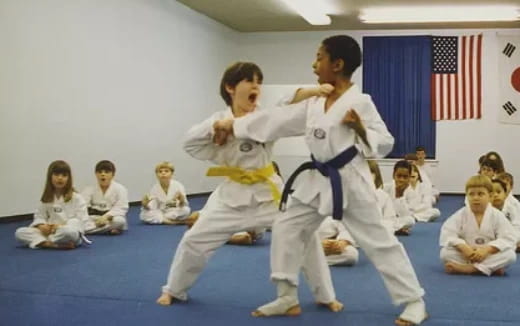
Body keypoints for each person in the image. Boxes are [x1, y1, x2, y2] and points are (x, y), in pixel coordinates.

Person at [215, 35, 427, 325]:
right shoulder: (315, 101)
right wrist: (235, 124)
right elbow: (276, 121)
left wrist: (361, 129)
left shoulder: (361, 102)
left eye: (319, 58)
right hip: (316, 178)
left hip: (350, 180)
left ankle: (414, 301)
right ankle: (287, 295)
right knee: (287, 226)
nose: (314, 65)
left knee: (379, 241)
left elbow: (386, 142)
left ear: (337, 64)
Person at [157, 62, 342, 313]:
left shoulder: (265, 117)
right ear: (230, 87)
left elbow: (288, 104)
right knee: (194, 241)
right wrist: (219, 127)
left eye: (259, 81)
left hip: (270, 195)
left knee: (304, 237)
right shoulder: (216, 122)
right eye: (249, 80)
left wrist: (316, 91)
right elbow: (189, 143)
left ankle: (325, 295)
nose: (256, 85)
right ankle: (173, 289)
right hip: (230, 196)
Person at [440, 175, 516, 276]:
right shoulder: (461, 214)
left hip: (488, 253)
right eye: (471, 194)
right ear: (467, 196)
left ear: (490, 196)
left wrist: (487, 249)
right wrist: (463, 247)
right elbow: (448, 234)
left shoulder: (496, 215)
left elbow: (508, 238)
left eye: (481, 194)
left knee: (510, 255)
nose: (475, 198)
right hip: (468, 253)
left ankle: (470, 269)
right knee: (445, 253)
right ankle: (490, 267)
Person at [15, 160, 88, 249]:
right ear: (50, 177)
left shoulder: (77, 198)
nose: (60, 178)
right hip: (50, 232)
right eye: (56, 175)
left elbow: (82, 220)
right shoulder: (47, 198)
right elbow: (39, 216)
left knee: (68, 232)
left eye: (64, 175)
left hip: (67, 231)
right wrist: (41, 225)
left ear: (69, 179)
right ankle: (51, 244)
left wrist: (59, 227)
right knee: (20, 232)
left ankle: (43, 242)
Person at [82, 160, 129, 235]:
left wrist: (106, 217)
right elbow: (82, 206)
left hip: (110, 218)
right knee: (79, 222)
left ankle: (87, 230)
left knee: (120, 221)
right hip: (94, 218)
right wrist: (97, 220)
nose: (103, 174)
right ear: (96, 174)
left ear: (113, 174)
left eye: (106, 172)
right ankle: (107, 229)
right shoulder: (89, 189)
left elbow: (121, 208)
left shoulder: (120, 189)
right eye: (100, 172)